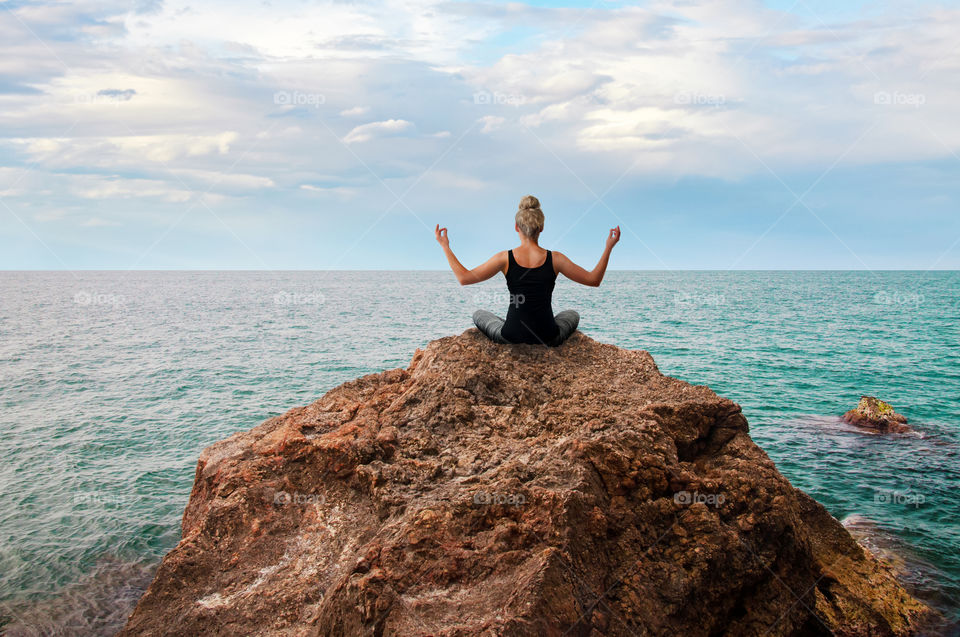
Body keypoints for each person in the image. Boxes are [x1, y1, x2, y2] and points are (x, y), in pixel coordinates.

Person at [434, 194, 620, 346]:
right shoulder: (556, 259)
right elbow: (594, 279)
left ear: (516, 227)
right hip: (547, 337)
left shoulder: (504, 258)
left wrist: (445, 246)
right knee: (572, 314)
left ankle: (511, 323)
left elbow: (464, 278)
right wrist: (608, 247)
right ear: (541, 227)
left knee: (479, 314)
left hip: (511, 335)